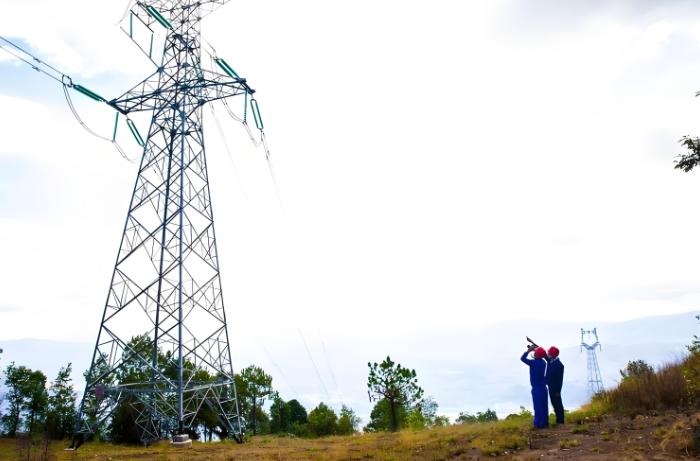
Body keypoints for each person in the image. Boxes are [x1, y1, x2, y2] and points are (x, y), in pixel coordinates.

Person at [521, 346, 549, 429]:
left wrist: (528, 351)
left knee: (537, 406)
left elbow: (522, 358)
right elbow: (542, 355)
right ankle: (545, 423)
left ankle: (538, 424)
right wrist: (537, 350)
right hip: (543, 387)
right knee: (544, 406)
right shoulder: (544, 362)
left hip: (536, 388)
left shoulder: (533, 363)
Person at [545, 346, 565, 425]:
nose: (547, 353)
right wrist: (533, 344)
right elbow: (543, 354)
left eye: (549, 353)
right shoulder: (551, 360)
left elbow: (560, 380)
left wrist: (558, 391)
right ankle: (558, 420)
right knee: (554, 403)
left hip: (555, 388)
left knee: (558, 404)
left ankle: (561, 421)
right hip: (550, 386)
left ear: (553, 354)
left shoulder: (560, 365)